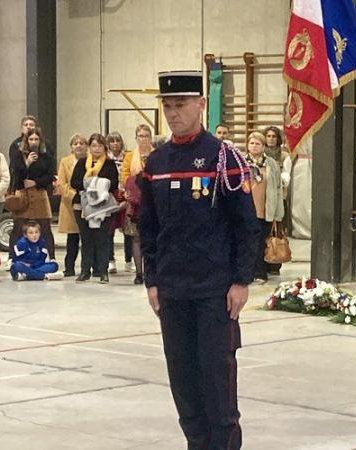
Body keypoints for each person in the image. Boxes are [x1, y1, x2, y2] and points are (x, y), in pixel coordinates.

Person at [139, 70, 260, 450]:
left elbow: (246, 226)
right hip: (173, 290)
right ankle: (196, 443)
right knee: (183, 379)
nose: (173, 113)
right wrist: (152, 280)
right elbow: (149, 227)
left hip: (214, 290)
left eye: (181, 105)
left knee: (216, 379)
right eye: (168, 106)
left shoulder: (223, 158)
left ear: (201, 105)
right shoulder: (156, 163)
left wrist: (241, 280)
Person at [71, 133, 120, 284]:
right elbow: (75, 182)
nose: (96, 148)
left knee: (102, 239)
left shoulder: (110, 164)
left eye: (99, 145)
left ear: (104, 147)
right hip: (83, 205)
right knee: (86, 239)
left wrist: (98, 185)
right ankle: (85, 271)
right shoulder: (82, 163)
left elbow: (113, 184)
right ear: (89, 148)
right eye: (93, 146)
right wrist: (92, 184)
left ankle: (103, 271)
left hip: (103, 207)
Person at [8, 127, 57, 260]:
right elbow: (16, 174)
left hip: (39, 194)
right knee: (18, 228)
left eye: (36, 139)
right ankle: (12, 257)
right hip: (22, 194)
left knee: (45, 228)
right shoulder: (19, 155)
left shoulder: (46, 157)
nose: (33, 142)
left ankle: (51, 256)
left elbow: (50, 176)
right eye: (31, 139)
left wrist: (36, 182)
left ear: (40, 141)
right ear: (26, 140)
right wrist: (27, 163)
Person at [246, 131, 283, 284]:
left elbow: (278, 188)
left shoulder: (271, 164)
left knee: (261, 242)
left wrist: (278, 213)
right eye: (252, 143)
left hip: (265, 209)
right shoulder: (241, 162)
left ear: (263, 146)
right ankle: (247, 273)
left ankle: (261, 272)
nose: (254, 146)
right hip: (246, 210)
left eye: (258, 144)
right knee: (247, 243)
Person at [121, 124, 156, 285]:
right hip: (135, 201)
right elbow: (125, 175)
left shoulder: (157, 154)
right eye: (140, 136)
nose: (143, 138)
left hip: (153, 199)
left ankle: (151, 271)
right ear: (136, 138)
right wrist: (128, 189)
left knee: (153, 237)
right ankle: (139, 272)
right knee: (136, 238)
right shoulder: (129, 156)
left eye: (146, 135)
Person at [262, 126, 292, 276]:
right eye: (268, 136)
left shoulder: (284, 155)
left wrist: (276, 179)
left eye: (274, 136)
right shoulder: (260, 155)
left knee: (277, 230)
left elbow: (286, 177)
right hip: (262, 198)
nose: (271, 139)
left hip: (279, 197)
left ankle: (275, 262)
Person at [57, 133, 88, 277]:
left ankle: (88, 268)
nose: (79, 146)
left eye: (81, 143)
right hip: (70, 204)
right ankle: (69, 267)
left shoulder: (91, 160)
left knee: (88, 238)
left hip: (89, 203)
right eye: (75, 143)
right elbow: (61, 184)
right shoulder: (65, 161)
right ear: (71, 147)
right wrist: (75, 196)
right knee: (72, 239)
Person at [106, 131, 128, 274]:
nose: (115, 144)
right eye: (112, 141)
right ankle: (111, 260)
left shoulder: (128, 156)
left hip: (125, 193)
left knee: (128, 230)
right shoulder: (105, 158)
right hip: (110, 194)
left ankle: (129, 260)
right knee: (110, 230)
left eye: (117, 140)